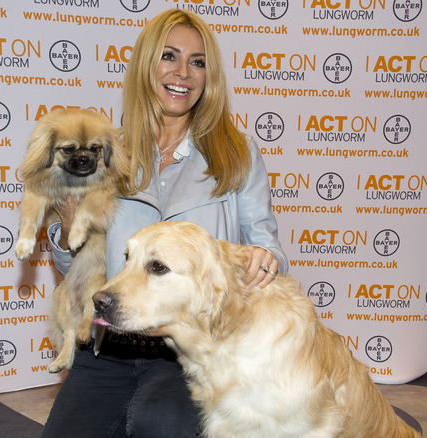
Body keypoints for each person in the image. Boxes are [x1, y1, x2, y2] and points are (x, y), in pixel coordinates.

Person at [40, 9, 289, 438]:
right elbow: (77, 272)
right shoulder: (104, 152)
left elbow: (268, 249)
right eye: (169, 57)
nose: (183, 73)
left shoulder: (237, 152)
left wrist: (265, 259)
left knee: (160, 425)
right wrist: (66, 228)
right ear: (146, 65)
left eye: (197, 62)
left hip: (191, 351)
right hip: (107, 344)